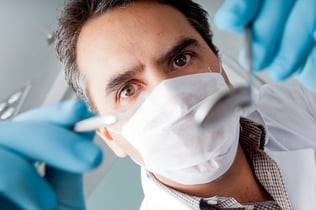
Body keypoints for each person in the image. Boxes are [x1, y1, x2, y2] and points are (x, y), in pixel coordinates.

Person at [0, 0, 315, 209]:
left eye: (181, 59)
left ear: (221, 69)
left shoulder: (303, 99)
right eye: (128, 90)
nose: (174, 101)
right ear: (111, 138)